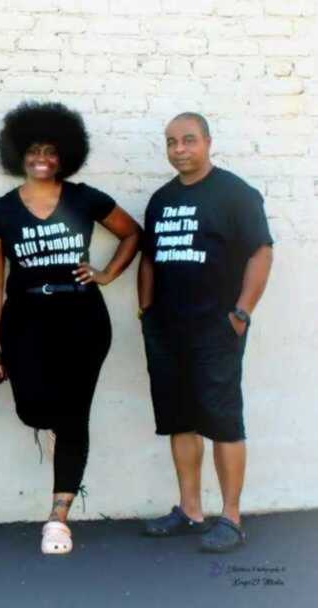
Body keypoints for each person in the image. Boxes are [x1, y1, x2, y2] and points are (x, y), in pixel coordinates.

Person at [0, 101, 141, 554]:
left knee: (74, 416)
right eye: (33, 149)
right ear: (18, 154)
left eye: (51, 150)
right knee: (33, 410)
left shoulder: (84, 198)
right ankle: (58, 436)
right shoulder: (0, 212)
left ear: (65, 154)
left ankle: (58, 517)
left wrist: (106, 274)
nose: (42, 158)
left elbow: (133, 233)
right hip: (25, 321)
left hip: (82, 319)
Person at [139, 112, 273, 553]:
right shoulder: (160, 200)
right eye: (172, 142)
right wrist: (146, 311)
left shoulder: (235, 194)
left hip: (217, 328)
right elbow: (150, 259)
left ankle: (231, 518)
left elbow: (260, 252)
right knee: (180, 420)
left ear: (208, 142)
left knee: (223, 422)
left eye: (188, 141)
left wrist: (241, 312)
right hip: (167, 328)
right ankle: (190, 510)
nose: (179, 149)